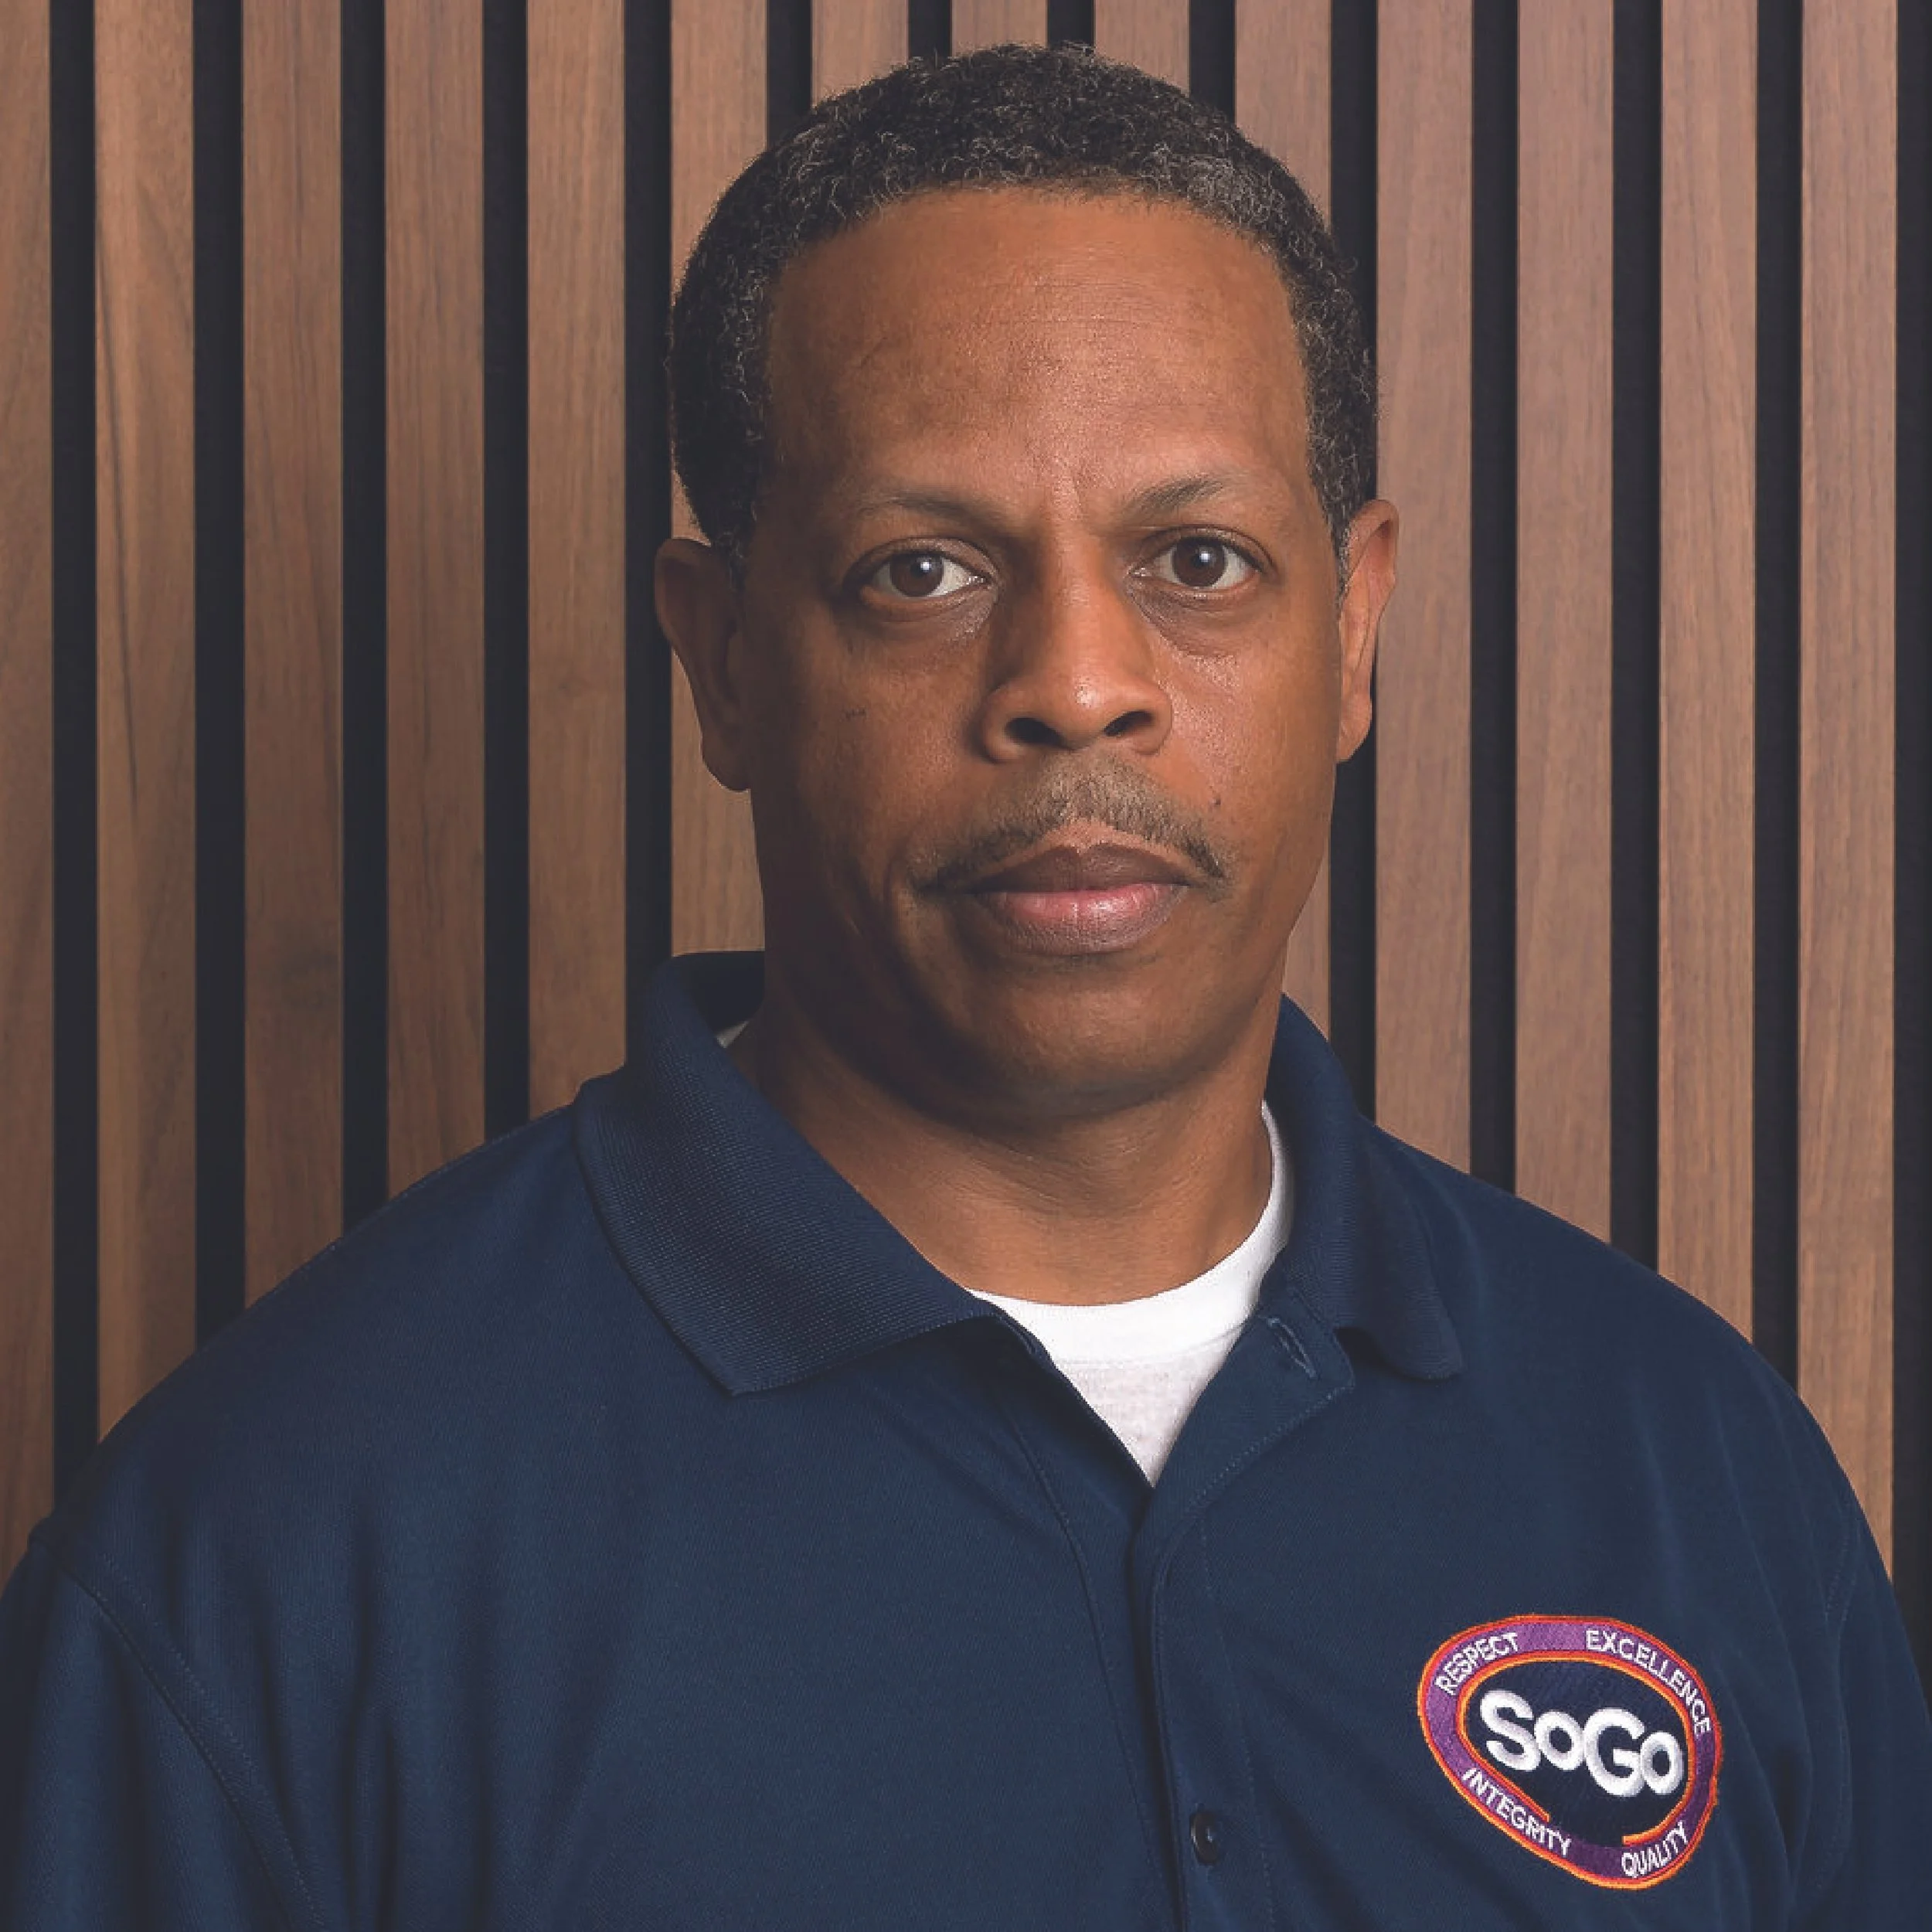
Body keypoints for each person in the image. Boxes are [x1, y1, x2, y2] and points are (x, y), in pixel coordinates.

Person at [2, 41, 1927, 1929]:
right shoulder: (271, 1545)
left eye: (1196, 556)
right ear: (722, 660)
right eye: (920, 569)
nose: (1077, 679)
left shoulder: (1693, 1460)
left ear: (1352, 632)